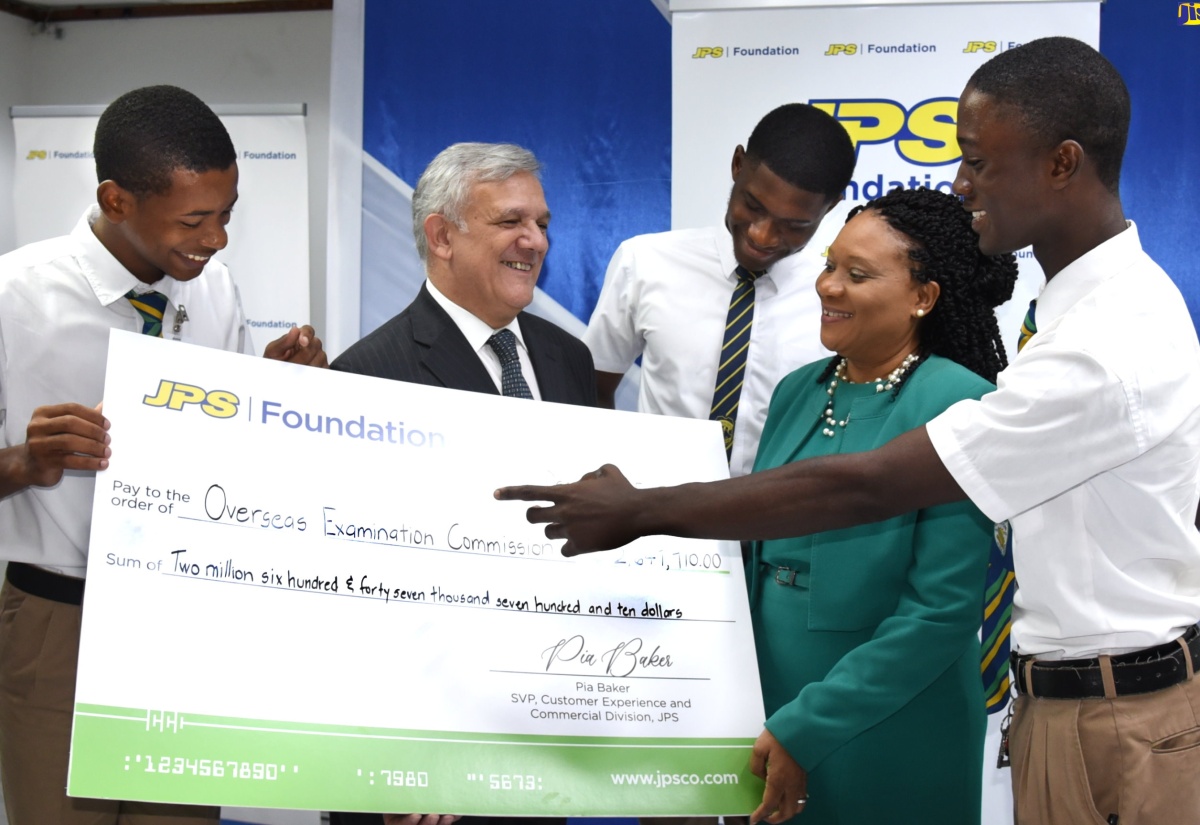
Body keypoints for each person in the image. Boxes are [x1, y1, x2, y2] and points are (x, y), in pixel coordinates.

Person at [497, 37, 1200, 825]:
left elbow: (870, 488)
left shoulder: (1109, 338)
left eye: (979, 161)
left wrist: (645, 509)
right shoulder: (1060, 315)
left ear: (1062, 164)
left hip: (1109, 716)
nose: (962, 181)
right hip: (1056, 703)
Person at [0, 85, 326, 825]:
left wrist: (277, 398)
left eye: (226, 215)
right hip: (61, 622)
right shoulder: (13, 297)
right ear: (116, 201)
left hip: (184, 621)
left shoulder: (214, 292)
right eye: (195, 219)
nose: (216, 240)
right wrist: (25, 462)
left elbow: (233, 464)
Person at [330, 142, 594, 825]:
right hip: (425, 757)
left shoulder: (570, 359)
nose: (534, 240)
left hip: (542, 729)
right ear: (441, 236)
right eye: (511, 221)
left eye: (541, 222)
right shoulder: (365, 378)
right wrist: (401, 753)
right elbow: (350, 584)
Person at [746, 186, 1016, 824]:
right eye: (829, 265)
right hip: (766, 716)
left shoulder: (960, 404)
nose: (828, 287)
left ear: (924, 298)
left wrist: (805, 728)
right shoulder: (794, 391)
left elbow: (938, 615)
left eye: (857, 274)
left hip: (894, 728)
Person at [584, 103, 855, 477]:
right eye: (752, 205)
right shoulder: (645, 261)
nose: (762, 235)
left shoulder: (840, 298)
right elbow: (593, 388)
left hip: (781, 523)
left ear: (831, 207)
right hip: (657, 516)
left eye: (793, 225)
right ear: (737, 164)